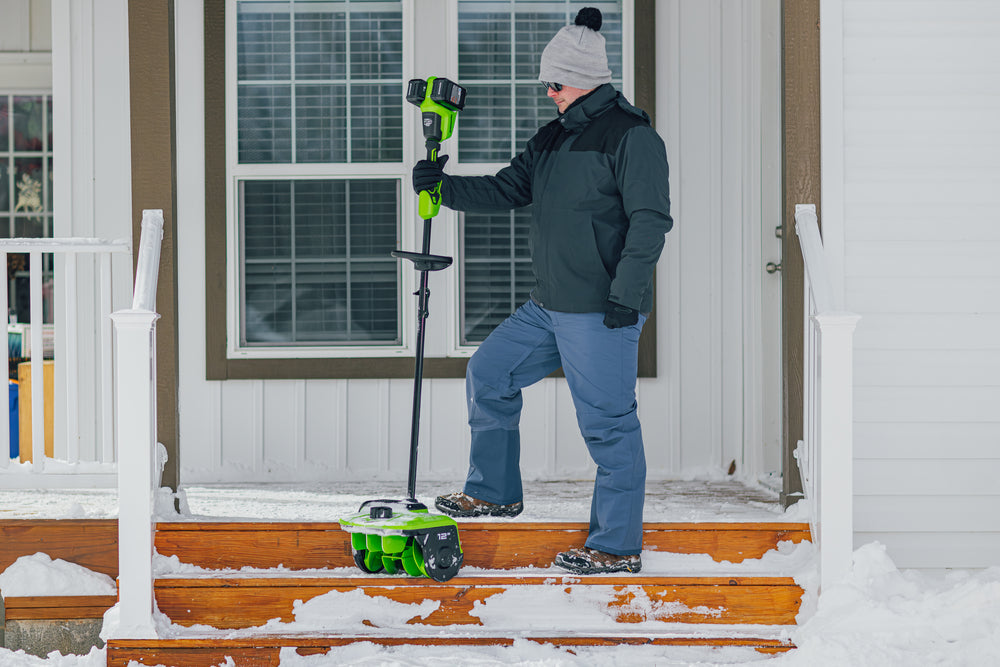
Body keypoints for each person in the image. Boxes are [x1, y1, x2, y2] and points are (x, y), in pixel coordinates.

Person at [412, 7, 672, 575]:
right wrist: (443, 187)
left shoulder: (632, 137)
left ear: (583, 79)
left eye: (554, 82)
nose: (548, 92)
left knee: (608, 424)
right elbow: (509, 189)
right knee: (490, 372)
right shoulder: (552, 137)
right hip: (548, 305)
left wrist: (626, 296)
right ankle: (493, 490)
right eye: (546, 83)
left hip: (601, 310)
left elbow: (651, 220)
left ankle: (616, 546)